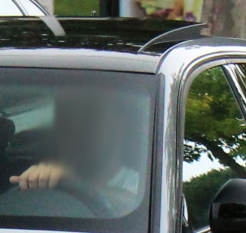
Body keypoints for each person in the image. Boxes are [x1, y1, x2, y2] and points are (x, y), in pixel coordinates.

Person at [10, 87, 145, 212]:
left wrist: (71, 184)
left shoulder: (140, 184)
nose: (75, 126)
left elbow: (132, 206)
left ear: (120, 123)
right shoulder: (47, 178)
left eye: (89, 114)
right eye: (67, 115)